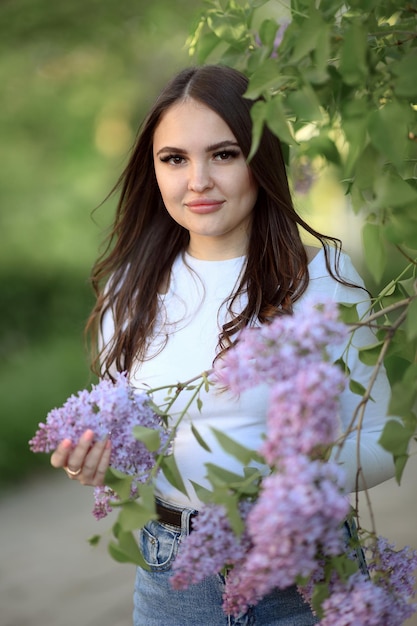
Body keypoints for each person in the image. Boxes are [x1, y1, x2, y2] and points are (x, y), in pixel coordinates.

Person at [51, 64, 395, 625]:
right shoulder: (130, 289)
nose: (198, 182)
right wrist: (99, 463)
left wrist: (294, 481)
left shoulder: (326, 281)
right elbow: (137, 450)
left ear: (260, 160)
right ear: (154, 169)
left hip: (302, 573)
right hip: (173, 579)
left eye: (225, 154)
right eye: (175, 159)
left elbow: (382, 437)